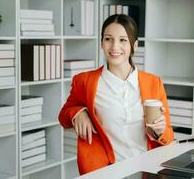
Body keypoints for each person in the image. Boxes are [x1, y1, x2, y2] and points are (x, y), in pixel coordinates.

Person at [58, 14, 174, 175]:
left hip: (147, 169)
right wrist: (78, 112)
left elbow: (168, 136)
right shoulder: (85, 81)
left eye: (123, 40)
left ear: (135, 45)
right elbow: (63, 116)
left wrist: (160, 132)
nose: (114, 47)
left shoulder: (153, 82)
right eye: (108, 39)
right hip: (106, 172)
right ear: (101, 43)